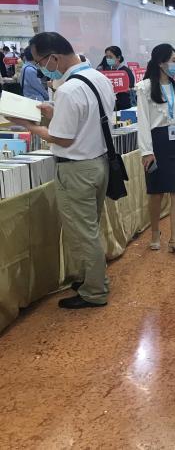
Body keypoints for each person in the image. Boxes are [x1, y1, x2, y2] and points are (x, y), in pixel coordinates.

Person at [7, 32, 115, 308]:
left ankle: (94, 291)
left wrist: (30, 126)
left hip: (76, 170)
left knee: (83, 232)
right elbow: (87, 118)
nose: (40, 68)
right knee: (90, 227)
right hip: (99, 163)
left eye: (39, 62)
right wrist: (53, 112)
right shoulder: (98, 77)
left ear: (53, 57)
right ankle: (89, 277)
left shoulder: (68, 89)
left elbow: (63, 138)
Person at [136, 43, 175, 257]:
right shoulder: (145, 87)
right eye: (173, 61)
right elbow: (143, 121)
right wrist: (146, 151)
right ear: (161, 62)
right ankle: (155, 233)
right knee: (156, 192)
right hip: (156, 142)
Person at [98, 46, 136, 110]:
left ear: (118, 58)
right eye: (107, 57)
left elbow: (130, 89)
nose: (108, 59)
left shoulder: (125, 72)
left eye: (110, 57)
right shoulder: (107, 71)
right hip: (111, 106)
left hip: (125, 107)